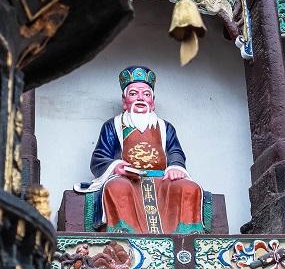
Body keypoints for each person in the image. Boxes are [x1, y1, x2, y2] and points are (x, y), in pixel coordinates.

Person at [75, 65, 204, 234]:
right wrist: (116, 166)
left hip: (163, 182)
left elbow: (175, 151)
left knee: (189, 188)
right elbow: (99, 156)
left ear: (153, 101)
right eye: (134, 93)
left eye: (146, 94)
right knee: (116, 187)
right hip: (128, 180)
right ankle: (123, 233)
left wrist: (175, 167)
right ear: (124, 101)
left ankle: (186, 235)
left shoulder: (165, 127)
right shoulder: (113, 126)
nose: (141, 98)